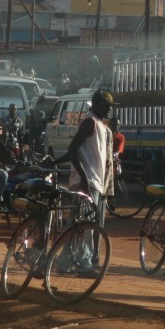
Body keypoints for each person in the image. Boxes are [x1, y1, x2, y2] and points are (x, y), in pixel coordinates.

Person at [65, 88, 114, 269]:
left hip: (95, 182)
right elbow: (73, 149)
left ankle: (65, 262)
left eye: (110, 106)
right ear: (95, 105)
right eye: (105, 106)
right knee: (86, 225)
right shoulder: (90, 123)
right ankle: (84, 264)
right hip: (87, 181)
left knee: (76, 224)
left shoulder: (101, 125)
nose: (109, 109)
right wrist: (84, 179)